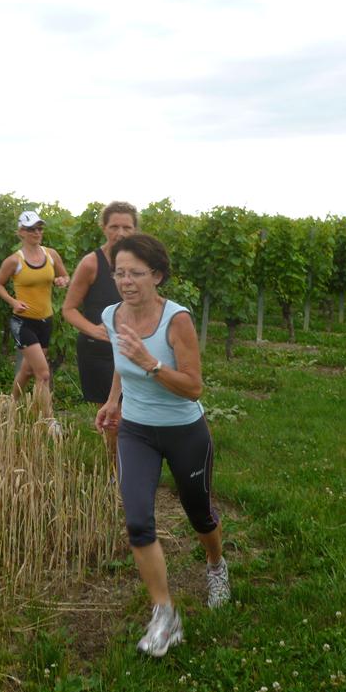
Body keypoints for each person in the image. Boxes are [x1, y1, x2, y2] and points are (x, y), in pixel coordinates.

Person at [95, 233, 230, 658]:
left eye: (135, 273)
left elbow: (192, 387)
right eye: (119, 273)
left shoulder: (177, 321)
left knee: (200, 513)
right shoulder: (111, 314)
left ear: (157, 275)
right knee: (137, 520)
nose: (126, 281)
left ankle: (215, 566)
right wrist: (113, 400)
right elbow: (122, 363)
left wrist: (151, 364)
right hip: (136, 431)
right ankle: (165, 613)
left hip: (183, 431)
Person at [62, 201, 138, 464]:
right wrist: (93, 330)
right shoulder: (91, 263)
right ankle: (116, 471)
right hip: (99, 353)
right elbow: (69, 308)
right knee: (113, 418)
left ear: (135, 229)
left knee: (136, 415)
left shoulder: (140, 262)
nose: (120, 233)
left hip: (134, 351)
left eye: (126, 227)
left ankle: (128, 467)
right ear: (104, 228)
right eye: (114, 226)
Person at [0, 210, 70, 421]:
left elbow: (64, 275)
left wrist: (62, 281)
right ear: (21, 233)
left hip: (46, 320)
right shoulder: (13, 261)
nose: (37, 232)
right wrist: (13, 301)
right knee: (43, 374)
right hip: (23, 322)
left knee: (27, 370)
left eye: (39, 228)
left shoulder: (51, 255)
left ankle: (11, 403)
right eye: (31, 229)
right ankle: (48, 420)